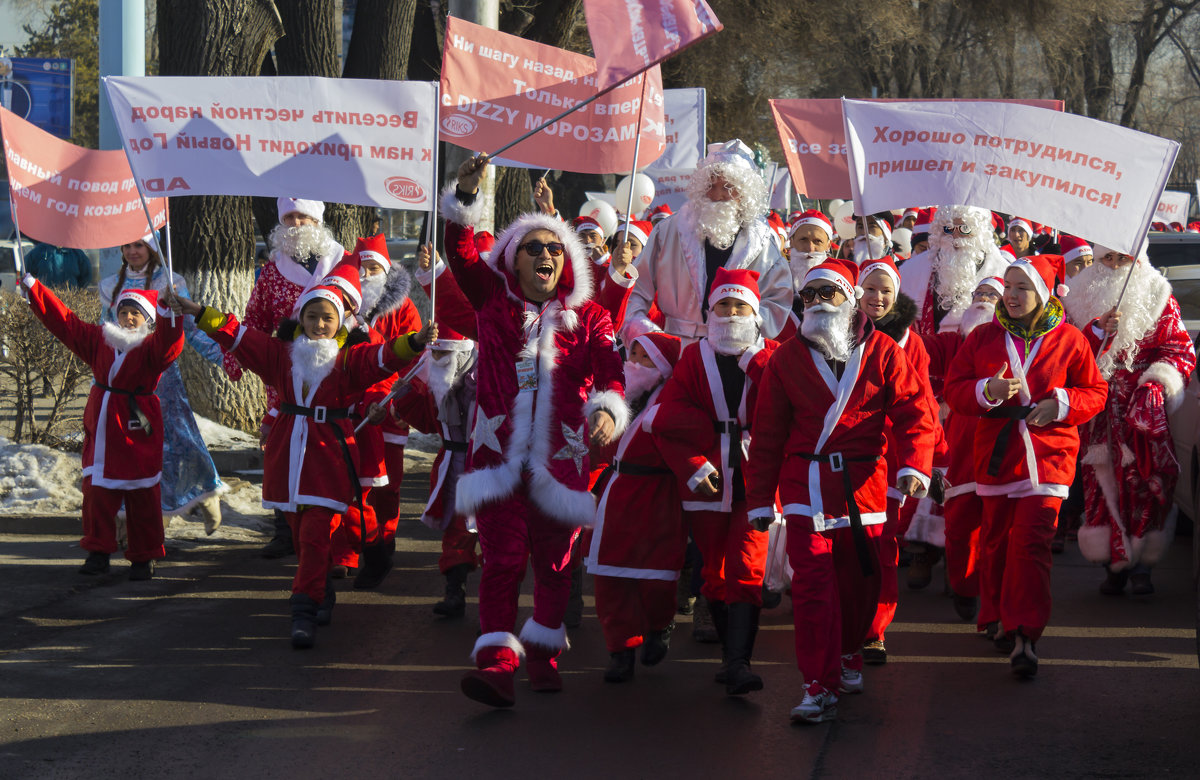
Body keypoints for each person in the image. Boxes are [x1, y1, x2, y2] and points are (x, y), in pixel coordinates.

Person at [442, 154, 628, 708]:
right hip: (497, 462)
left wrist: (606, 409)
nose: (545, 255)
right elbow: (458, 251)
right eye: (533, 248)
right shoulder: (492, 302)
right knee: (500, 563)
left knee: (554, 568)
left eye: (554, 248)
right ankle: (498, 663)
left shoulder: (590, 316)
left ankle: (544, 654)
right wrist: (468, 193)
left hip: (562, 465)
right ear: (513, 259)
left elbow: (612, 371)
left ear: (566, 260)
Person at [177, 284, 434, 648]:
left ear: (340, 321)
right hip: (288, 456)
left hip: (329, 453)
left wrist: (416, 340)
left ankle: (303, 609)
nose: (318, 324)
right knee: (303, 538)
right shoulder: (280, 355)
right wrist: (196, 310)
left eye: (327, 317)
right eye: (312, 316)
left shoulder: (347, 359)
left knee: (316, 535)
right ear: (300, 318)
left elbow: (383, 357)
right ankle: (323, 590)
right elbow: (236, 333)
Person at [745, 258, 936, 723]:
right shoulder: (785, 359)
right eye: (808, 296)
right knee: (812, 586)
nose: (816, 303)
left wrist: (915, 465)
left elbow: (916, 411)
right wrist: (757, 501)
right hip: (804, 484)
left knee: (857, 584)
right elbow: (767, 434)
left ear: (850, 299)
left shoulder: (886, 351)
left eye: (827, 294)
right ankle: (817, 684)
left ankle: (851, 650)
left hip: (863, 486)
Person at [944, 254, 1107, 677]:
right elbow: (956, 390)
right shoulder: (983, 337)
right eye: (1009, 286)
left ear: (1045, 292)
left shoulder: (1070, 339)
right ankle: (995, 615)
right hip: (996, 455)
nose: (1012, 295)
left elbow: (1095, 391)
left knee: (1031, 545)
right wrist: (988, 389)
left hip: (1049, 459)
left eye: (1022, 288)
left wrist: (1061, 404)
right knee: (995, 542)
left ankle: (1024, 635)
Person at [645, 268, 778, 695]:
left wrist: (756, 365)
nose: (732, 312)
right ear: (710, 310)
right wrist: (693, 465)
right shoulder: (692, 358)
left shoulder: (773, 356)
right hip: (709, 483)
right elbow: (666, 420)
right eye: (724, 304)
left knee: (747, 567)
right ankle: (728, 658)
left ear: (755, 314)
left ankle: (739, 663)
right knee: (715, 573)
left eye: (741, 305)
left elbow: (788, 406)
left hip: (756, 480)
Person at [20, 274, 182, 579]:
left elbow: (171, 342)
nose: (128, 318)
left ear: (147, 319)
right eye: (123, 312)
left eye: (136, 313)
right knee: (97, 492)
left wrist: (169, 313)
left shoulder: (152, 348)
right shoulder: (99, 339)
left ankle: (143, 557)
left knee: (143, 494)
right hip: (104, 426)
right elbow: (64, 322)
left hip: (137, 427)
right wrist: (33, 287)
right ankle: (98, 551)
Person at [1064, 242, 1195, 595]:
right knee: (1100, 485)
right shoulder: (1075, 296)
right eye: (1109, 257)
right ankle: (1113, 564)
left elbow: (1179, 348)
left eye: (1124, 257)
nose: (1117, 265)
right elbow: (1062, 350)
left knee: (1147, 482)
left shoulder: (1157, 293)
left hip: (1141, 410)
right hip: (1097, 412)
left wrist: (1157, 383)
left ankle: (1142, 566)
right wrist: (1095, 331)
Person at [226, 198, 345, 558]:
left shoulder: (341, 263)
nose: (296, 224)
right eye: (289, 217)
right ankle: (283, 528)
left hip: (333, 372)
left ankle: (334, 531)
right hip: (284, 374)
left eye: (303, 217)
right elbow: (256, 318)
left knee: (328, 448)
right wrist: (237, 357)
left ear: (317, 221)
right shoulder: (273, 271)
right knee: (283, 446)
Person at [899, 204, 1010, 583]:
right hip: (926, 379)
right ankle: (922, 548)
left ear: (981, 230)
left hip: (982, 385)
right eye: (948, 228)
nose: (956, 236)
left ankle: (963, 566)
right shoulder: (912, 271)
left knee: (969, 472)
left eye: (964, 228)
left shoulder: (1005, 268)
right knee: (926, 461)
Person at [99, 234, 227, 533]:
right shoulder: (110, 286)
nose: (132, 251)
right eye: (127, 245)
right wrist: (101, 370)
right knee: (126, 445)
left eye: (139, 245)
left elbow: (190, 330)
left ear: (152, 248)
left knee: (180, 440)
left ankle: (206, 493)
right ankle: (127, 518)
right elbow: (104, 330)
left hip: (161, 376)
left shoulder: (170, 282)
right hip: (122, 378)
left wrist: (225, 355)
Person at [855, 256, 943, 664]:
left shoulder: (912, 342)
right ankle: (840, 619)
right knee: (840, 547)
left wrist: (925, 460)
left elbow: (923, 404)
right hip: (841, 458)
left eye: (885, 291)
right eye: (869, 288)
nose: (877, 297)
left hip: (889, 462)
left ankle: (874, 630)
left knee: (882, 546)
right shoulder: (833, 332)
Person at [585, 331, 686, 683]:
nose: (635, 364)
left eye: (646, 358)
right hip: (616, 497)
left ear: (663, 367)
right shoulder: (615, 399)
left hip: (658, 496)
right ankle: (620, 651)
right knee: (610, 579)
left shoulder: (673, 399)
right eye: (634, 354)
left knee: (656, 578)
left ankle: (660, 623)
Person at [622, 139, 791, 344]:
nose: (718, 195)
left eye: (728, 187)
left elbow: (777, 299)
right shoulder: (668, 230)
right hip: (676, 348)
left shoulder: (763, 240)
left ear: (744, 193)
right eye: (711, 186)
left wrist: (742, 327)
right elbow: (637, 288)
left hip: (737, 351)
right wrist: (642, 329)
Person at [337, 235, 424, 588]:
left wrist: (396, 399)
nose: (368, 273)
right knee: (350, 483)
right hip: (350, 409)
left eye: (375, 268)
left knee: (387, 485)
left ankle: (384, 540)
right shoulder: (345, 306)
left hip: (388, 407)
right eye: (363, 267)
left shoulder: (403, 308)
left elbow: (414, 357)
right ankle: (347, 554)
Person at [922, 277, 1005, 623]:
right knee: (958, 527)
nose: (983, 299)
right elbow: (915, 349)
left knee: (998, 531)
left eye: (992, 294)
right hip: (961, 449)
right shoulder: (953, 342)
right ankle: (964, 586)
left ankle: (993, 607)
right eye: (979, 294)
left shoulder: (1016, 344)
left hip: (1002, 449)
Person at [24, 241, 92, 288]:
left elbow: (86, 276)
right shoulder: (40, 251)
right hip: (45, 300)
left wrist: (75, 291)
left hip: (69, 302)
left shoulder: (76, 253)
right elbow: (25, 271)